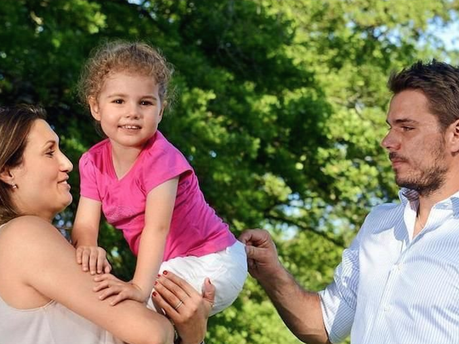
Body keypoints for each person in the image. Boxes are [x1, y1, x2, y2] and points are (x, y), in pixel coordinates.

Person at [240, 60, 459, 344]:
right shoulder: (379, 223)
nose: (388, 141)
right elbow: (325, 325)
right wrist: (272, 273)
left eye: (406, 128)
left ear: (455, 134)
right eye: (390, 127)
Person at [0, 105, 214, 344]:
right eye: (49, 152)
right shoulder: (24, 235)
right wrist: (188, 333)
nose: (67, 163)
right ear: (8, 171)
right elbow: (152, 333)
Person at [71, 41, 247, 314]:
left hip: (212, 260)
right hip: (171, 264)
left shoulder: (161, 159)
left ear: (161, 110)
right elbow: (85, 224)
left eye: (145, 102)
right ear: (96, 107)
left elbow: (157, 229)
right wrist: (88, 247)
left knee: (128, 312)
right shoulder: (92, 161)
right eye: (118, 101)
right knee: (100, 304)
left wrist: (140, 288)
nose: (132, 112)